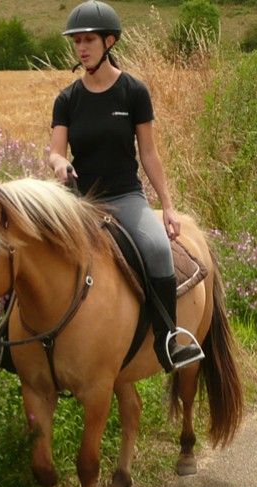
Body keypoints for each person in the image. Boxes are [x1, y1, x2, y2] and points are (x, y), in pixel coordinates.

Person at [49, 0, 204, 372]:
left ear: (109, 41)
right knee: (30, 247)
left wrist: (167, 205)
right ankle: (16, 346)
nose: (81, 48)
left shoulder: (133, 92)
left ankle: (167, 339)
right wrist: (59, 164)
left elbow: (149, 153)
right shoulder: (67, 99)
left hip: (125, 197)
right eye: (77, 41)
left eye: (89, 40)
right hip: (81, 202)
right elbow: (55, 152)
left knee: (158, 250)